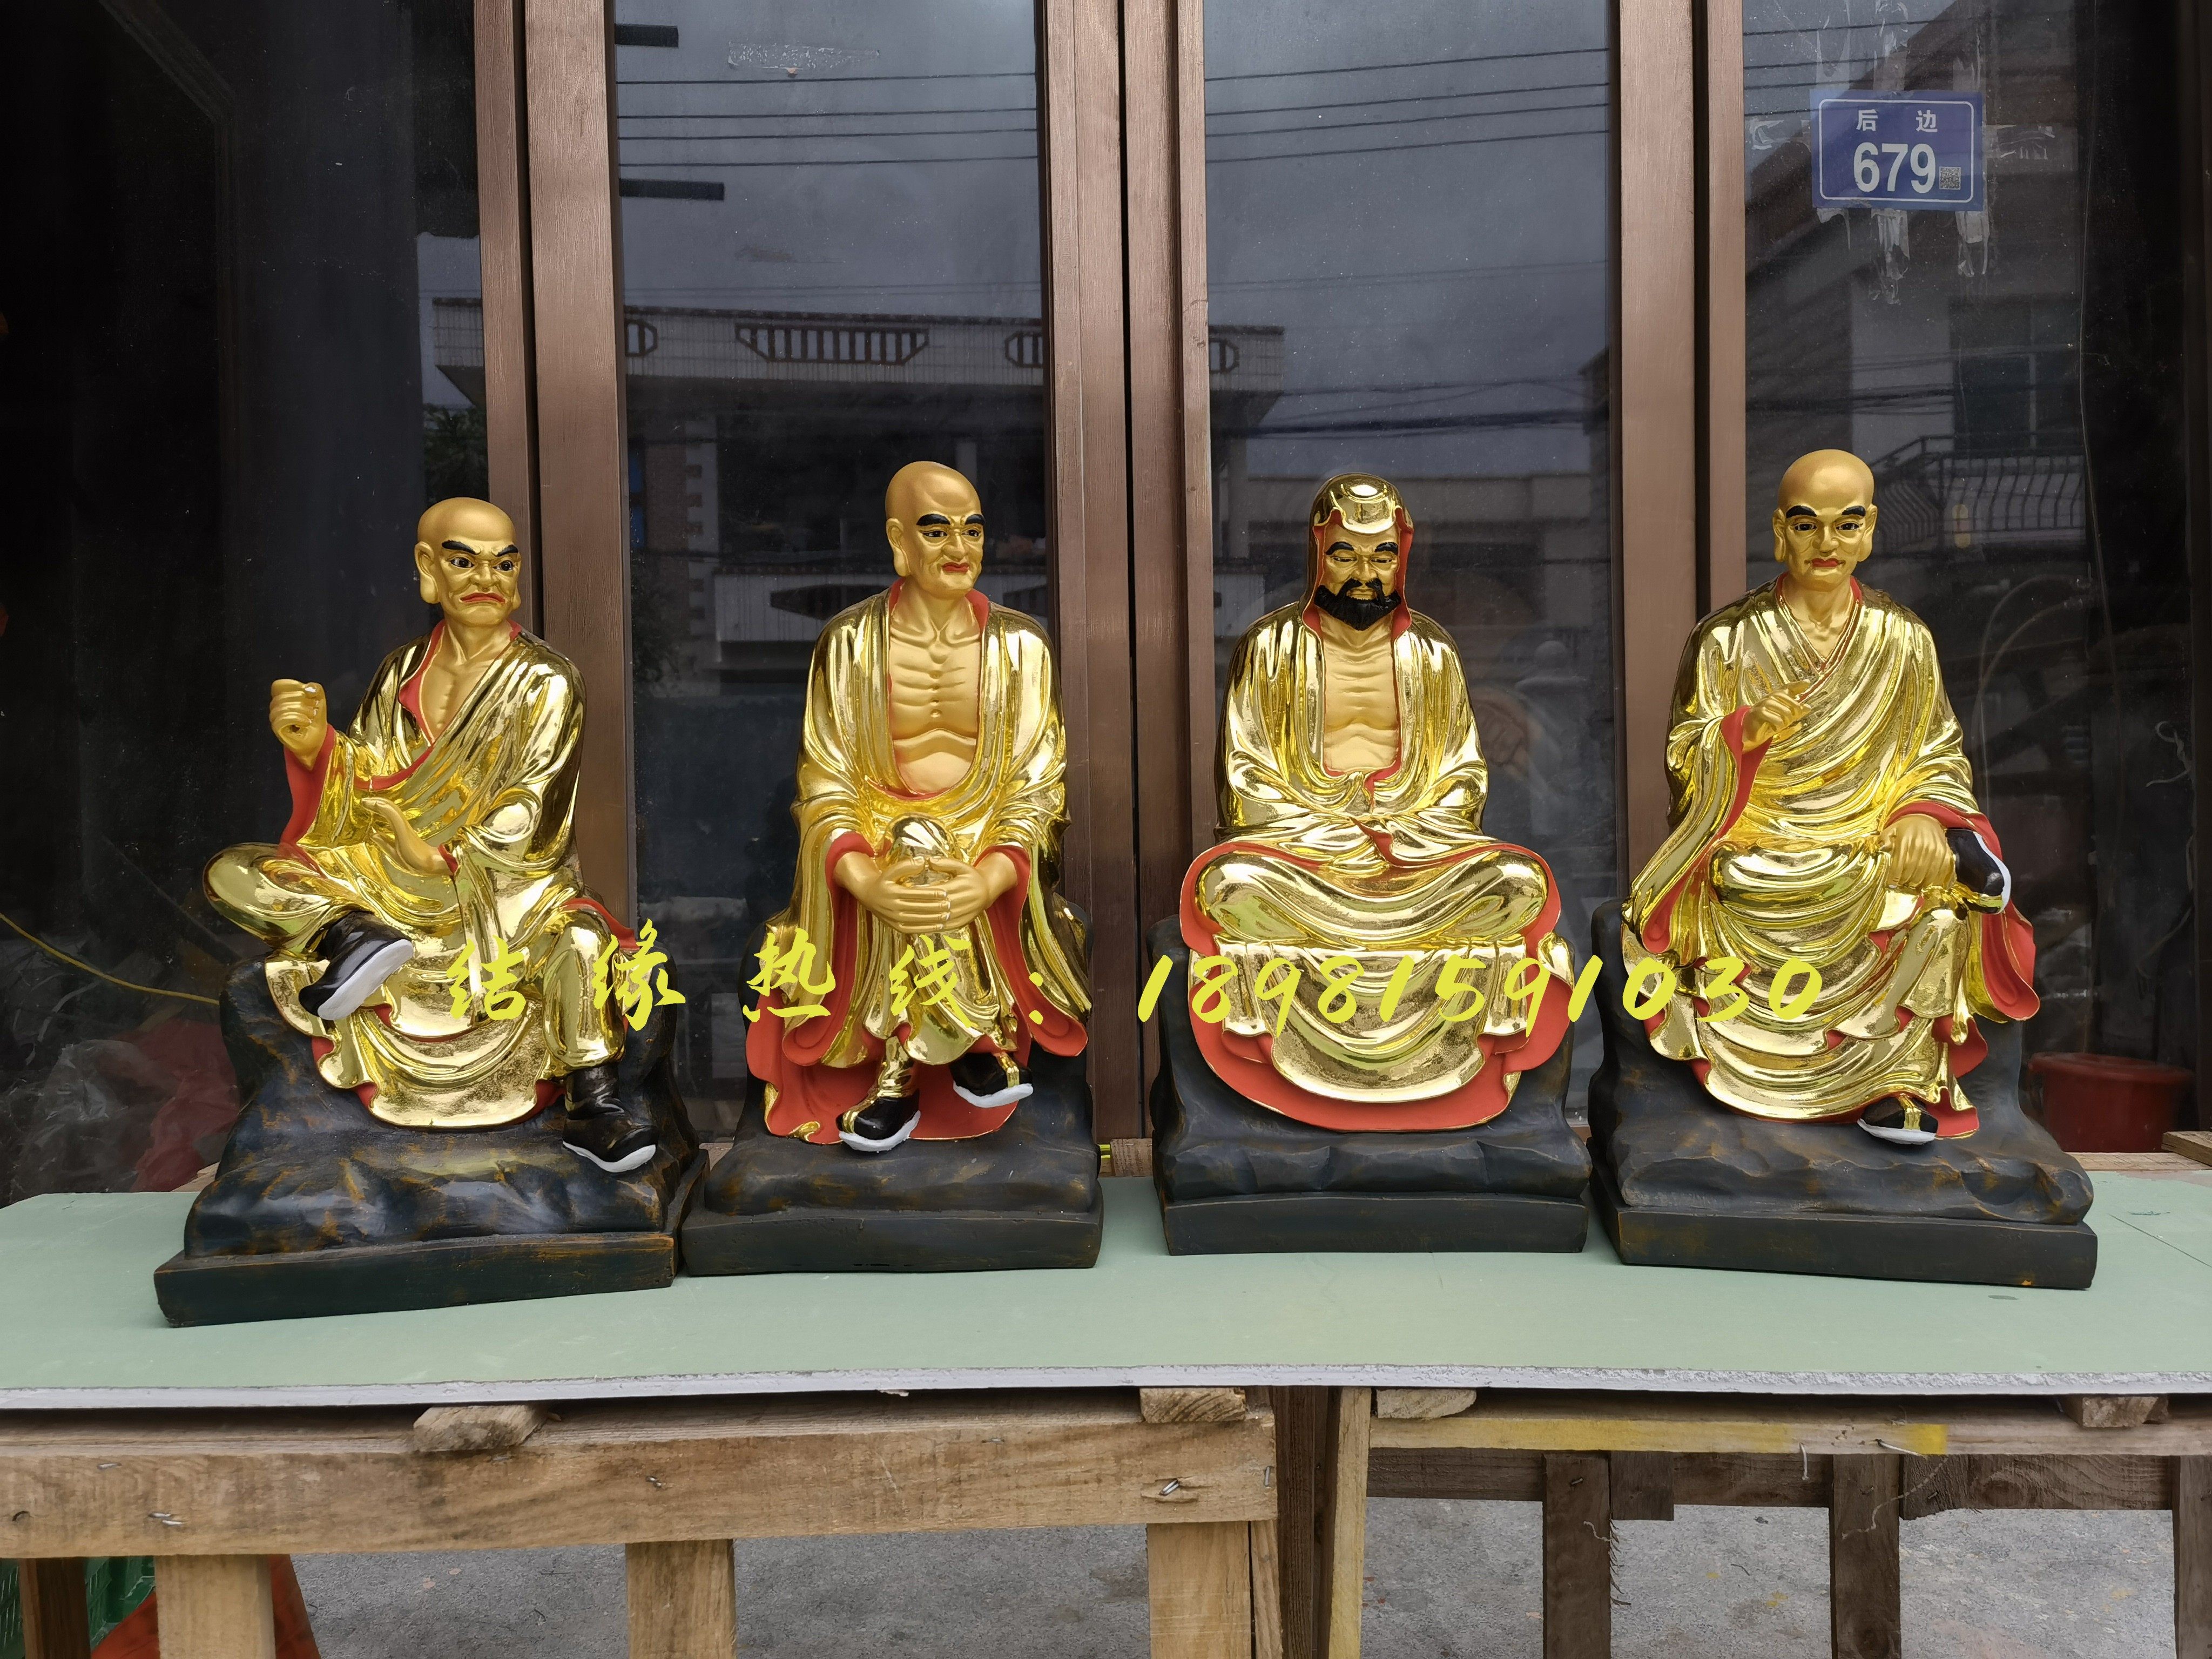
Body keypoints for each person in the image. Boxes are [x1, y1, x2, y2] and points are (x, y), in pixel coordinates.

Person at [203, 498, 653, 1171]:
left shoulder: (546, 680)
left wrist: (443, 855)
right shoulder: (401, 671)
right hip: (393, 886)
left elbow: (531, 806)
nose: (487, 579)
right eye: (464, 562)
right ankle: (352, 936)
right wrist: (317, 748)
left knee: (582, 942)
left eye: (504, 564)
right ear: (427, 567)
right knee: (233, 872)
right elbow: (371, 785)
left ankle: (593, 1102)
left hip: (502, 893)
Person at [1624, 449, 2036, 1145]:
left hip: (1869, 843)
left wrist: (1920, 816)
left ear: (1870, 529)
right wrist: (1741, 734)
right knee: (1735, 881)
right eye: (1806, 525)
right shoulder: (1726, 638)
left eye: (1846, 525)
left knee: (1932, 908)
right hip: (1762, 845)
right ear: (1779, 530)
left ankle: (1899, 1083)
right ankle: (1749, 1073)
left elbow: (1936, 754)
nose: (1827, 543)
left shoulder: (1903, 639)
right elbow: (1684, 759)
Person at [1180, 474, 1571, 1130]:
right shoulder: (1270, 647)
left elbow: (1462, 777)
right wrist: (1340, 823)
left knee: (1517, 883)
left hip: (1415, 857)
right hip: (1309, 856)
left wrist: (1399, 822)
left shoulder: (1431, 652)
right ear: (1318, 553)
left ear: (1402, 557)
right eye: (1346, 555)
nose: (1365, 574)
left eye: (1381, 555)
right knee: (1228, 884)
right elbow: (1246, 781)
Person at [747, 462, 1088, 1152]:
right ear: (899, 540)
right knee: (911, 840)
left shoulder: (1021, 647)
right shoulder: (849, 643)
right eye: (936, 531)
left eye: (973, 530)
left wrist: (990, 877)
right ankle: (972, 1043)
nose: (959, 548)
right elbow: (826, 780)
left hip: (985, 842)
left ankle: (898, 1081)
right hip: (879, 842)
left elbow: (1037, 784)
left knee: (922, 841)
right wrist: (864, 879)